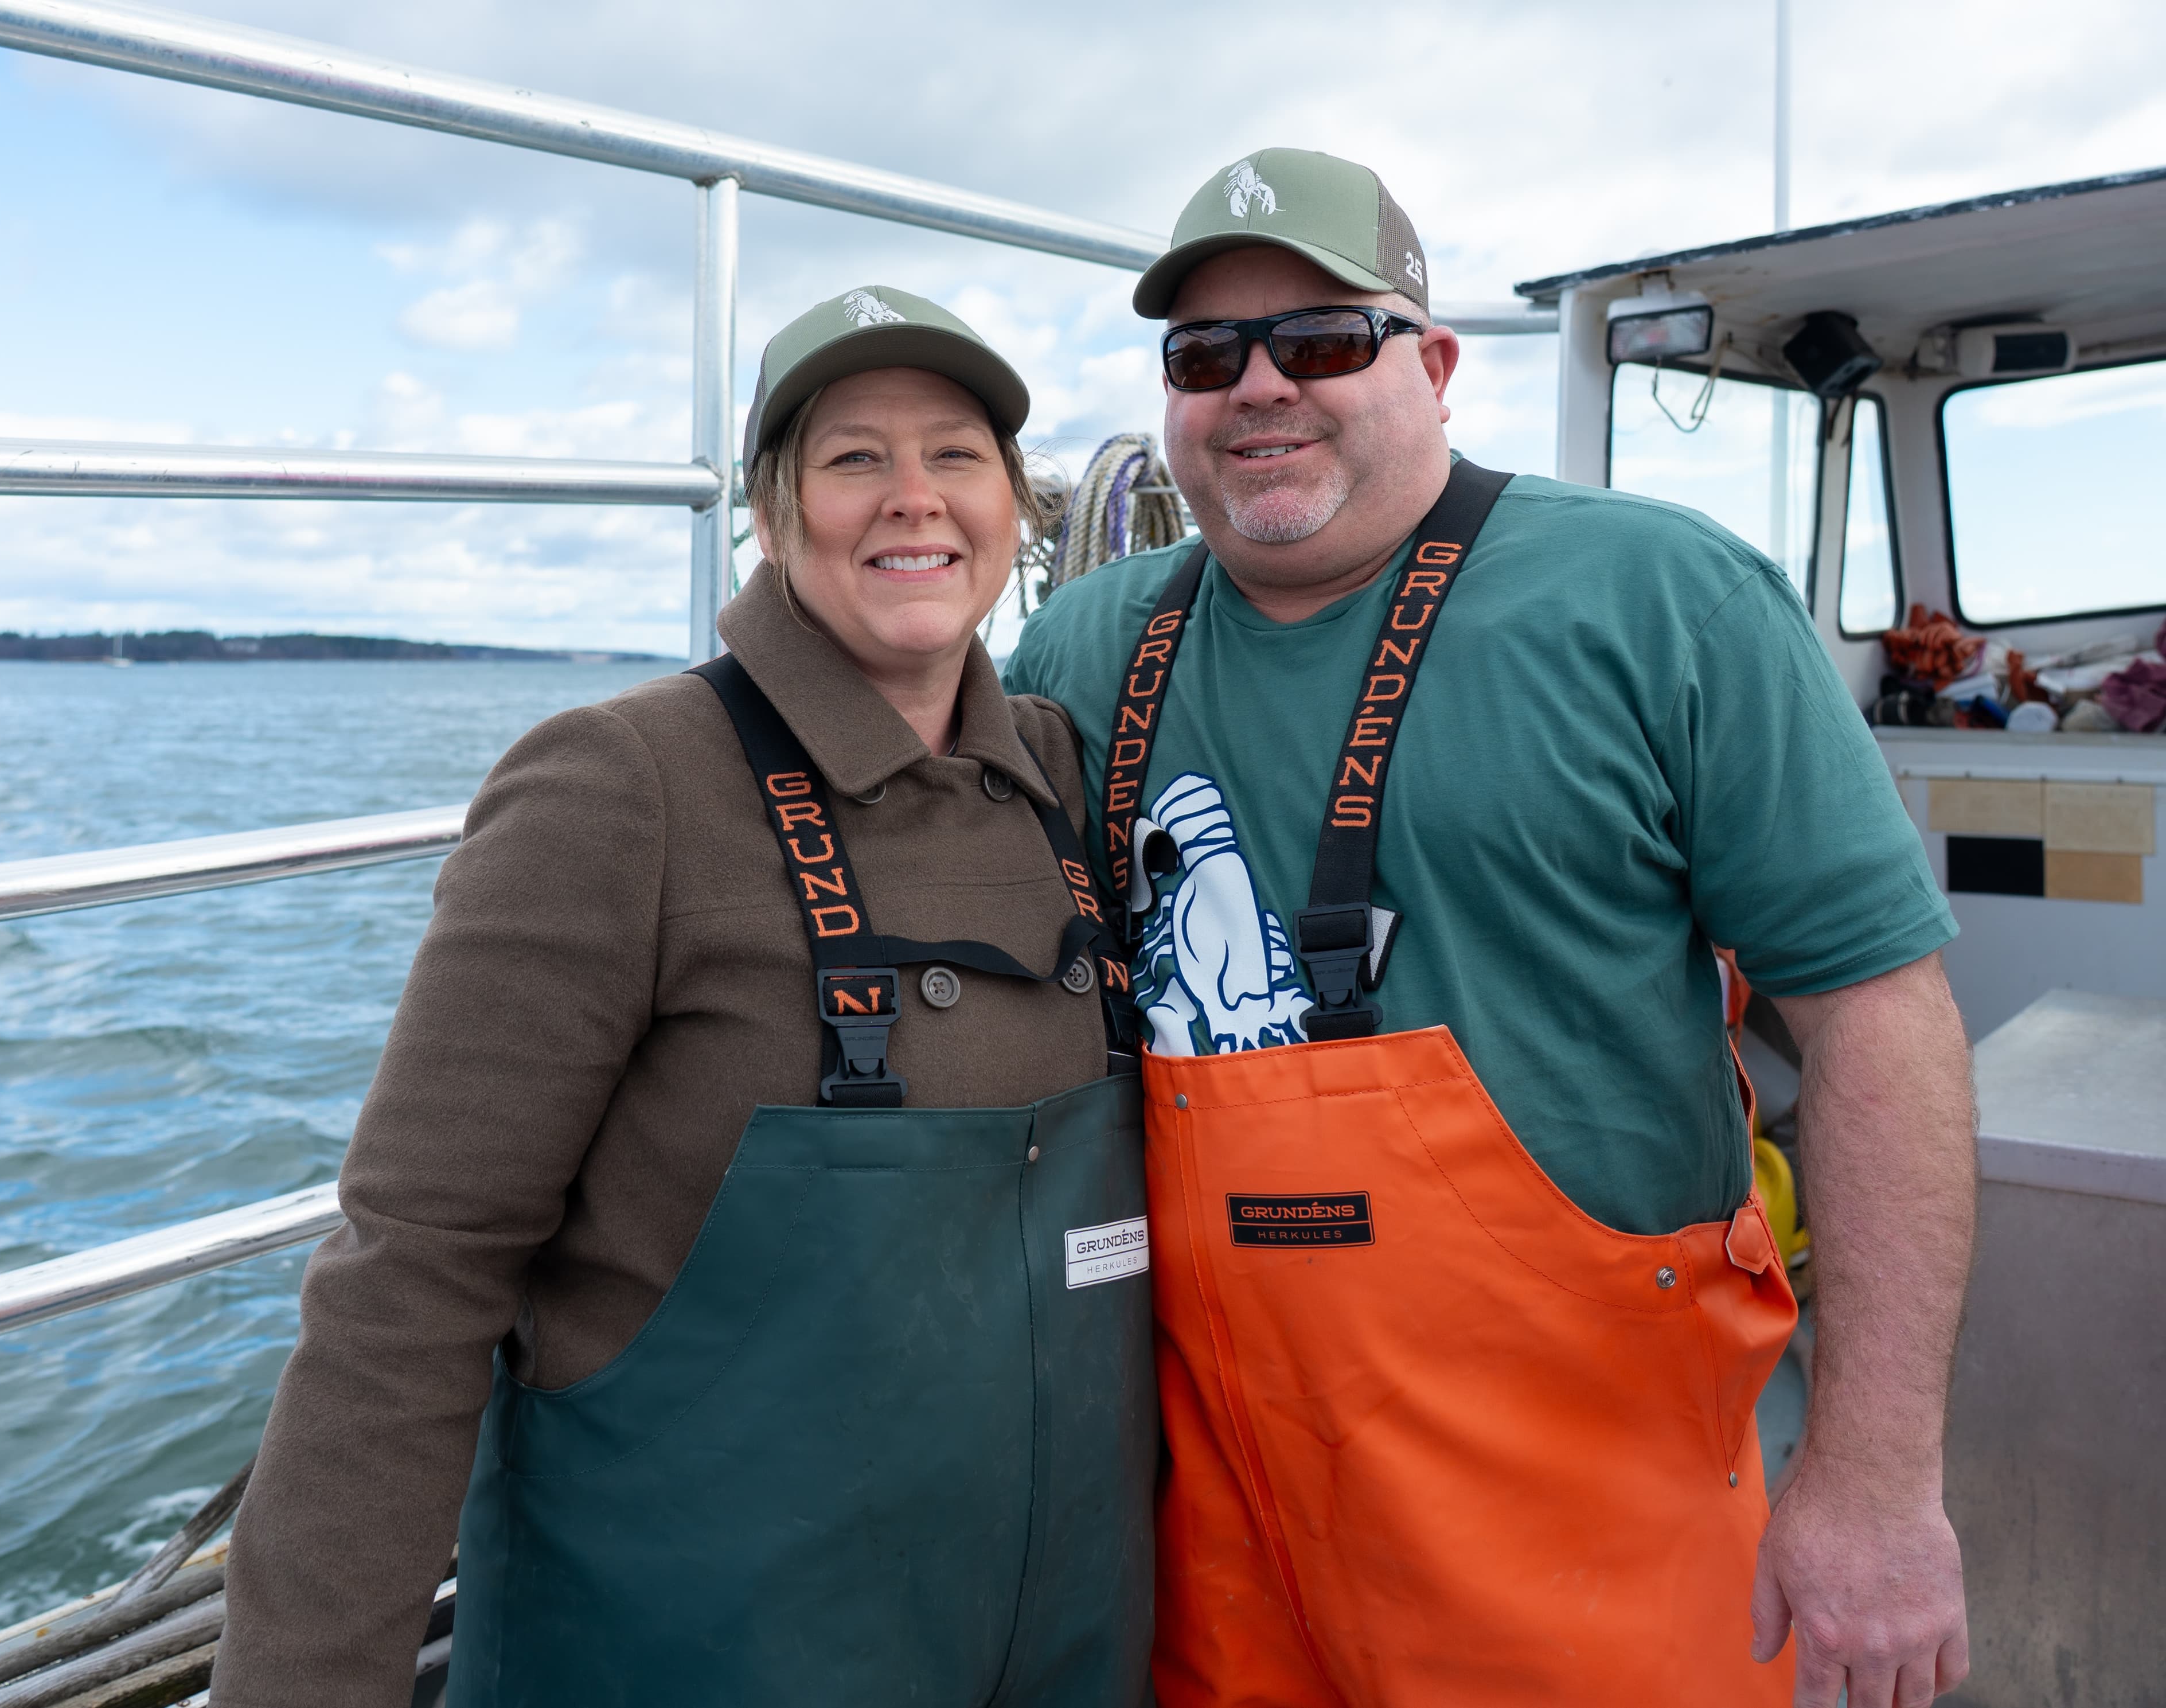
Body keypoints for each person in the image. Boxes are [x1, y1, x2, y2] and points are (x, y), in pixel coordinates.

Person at [1004, 147, 1974, 1708]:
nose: (1259, 387)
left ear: (1437, 364)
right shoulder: (1085, 641)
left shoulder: (1666, 602)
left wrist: (1874, 1480)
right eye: (1204, 355)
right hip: (1211, 1528)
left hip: (1586, 1523)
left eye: (1320, 339)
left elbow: (1879, 1016)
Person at [215, 286, 1156, 1708]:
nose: (914, 499)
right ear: (773, 518)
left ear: (1018, 509)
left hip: (1065, 1641)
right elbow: (413, 1277)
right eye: (852, 459)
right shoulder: (620, 784)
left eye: (956, 454)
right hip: (695, 1650)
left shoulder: (1061, 772)